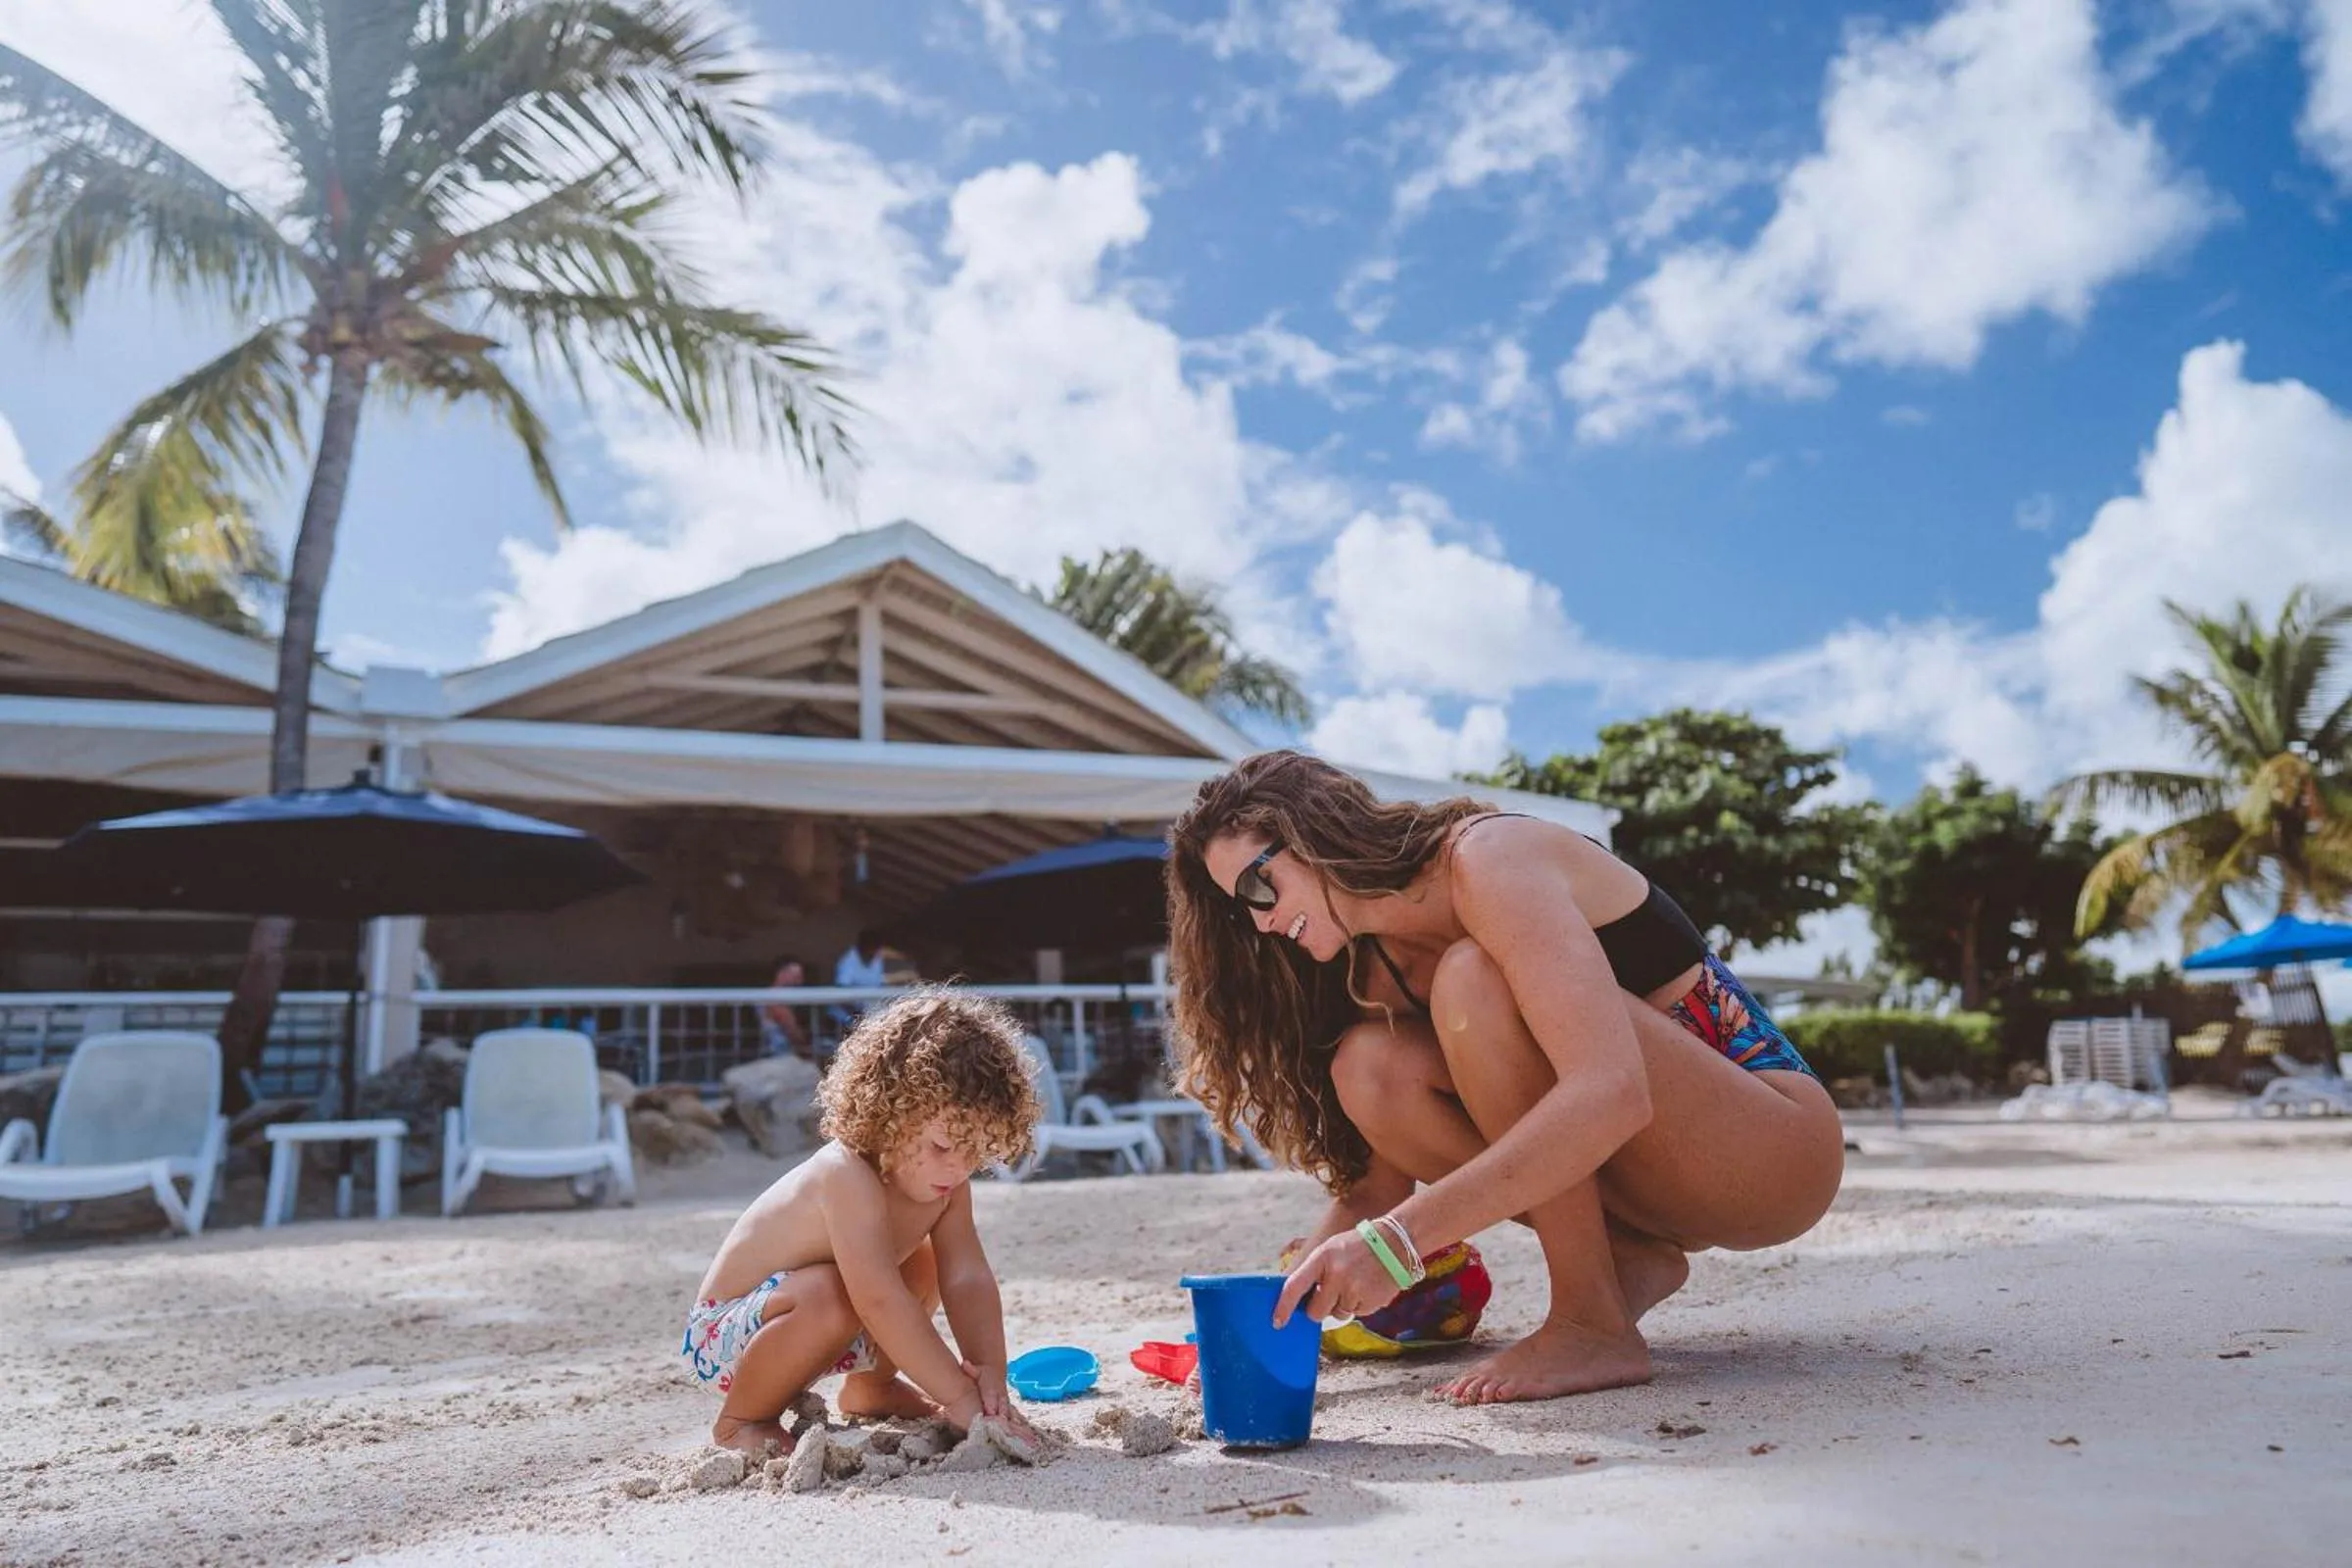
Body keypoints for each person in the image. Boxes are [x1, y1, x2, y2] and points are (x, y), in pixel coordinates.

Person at [1164, 750, 1845, 1405]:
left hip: (1774, 1151)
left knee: (1471, 980)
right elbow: (1377, 1184)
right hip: (1659, 1178)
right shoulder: (1375, 970)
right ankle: (1617, 1264)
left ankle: (1591, 1324)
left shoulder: (1486, 859)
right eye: (1239, 908)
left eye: (1259, 885)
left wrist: (1396, 1245)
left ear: (1309, 833)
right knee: (1370, 1069)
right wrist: (1273, 1324)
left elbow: (1610, 1089)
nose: (1261, 921)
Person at [681, 988, 1046, 1454]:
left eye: (976, 1151)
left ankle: (870, 1389)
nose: (957, 1167)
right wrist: (958, 1398)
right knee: (835, 1291)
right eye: (941, 1146)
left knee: (928, 1261)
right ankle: (740, 1419)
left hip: (819, 1324)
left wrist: (989, 1372)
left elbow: (967, 1278)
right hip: (723, 1341)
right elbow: (877, 1301)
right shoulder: (844, 1174)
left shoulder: (949, 1188)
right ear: (891, 1112)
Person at [760, 956, 810, 1059]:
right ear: (782, 973)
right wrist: (808, 1048)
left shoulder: (778, 997)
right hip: (779, 1056)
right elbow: (793, 1032)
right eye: (796, 977)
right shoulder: (775, 998)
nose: (800, 981)